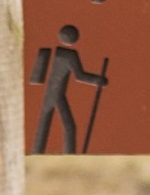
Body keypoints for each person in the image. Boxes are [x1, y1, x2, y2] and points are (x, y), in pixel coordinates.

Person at [29, 24, 107, 154]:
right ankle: (67, 154)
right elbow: (79, 75)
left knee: (45, 124)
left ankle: (39, 152)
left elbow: (35, 76)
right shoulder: (68, 55)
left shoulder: (50, 52)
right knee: (68, 127)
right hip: (56, 95)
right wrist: (97, 80)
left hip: (52, 93)